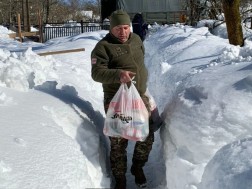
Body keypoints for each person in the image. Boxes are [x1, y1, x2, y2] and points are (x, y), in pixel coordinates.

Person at [91, 10, 154, 189]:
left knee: (146, 136)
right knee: (119, 141)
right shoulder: (103, 47)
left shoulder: (136, 40)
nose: (123, 32)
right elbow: (96, 73)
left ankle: (137, 167)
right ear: (111, 28)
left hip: (139, 96)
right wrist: (119, 75)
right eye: (118, 28)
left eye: (126, 27)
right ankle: (120, 179)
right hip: (116, 100)